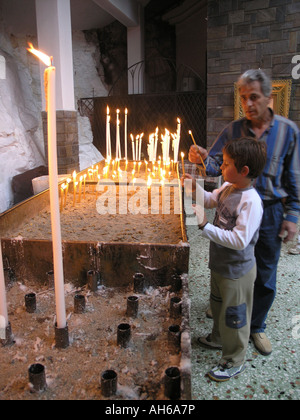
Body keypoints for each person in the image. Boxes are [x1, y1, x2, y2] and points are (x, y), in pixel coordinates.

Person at [189, 69, 300, 356]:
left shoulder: (288, 131)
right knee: (233, 265)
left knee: (264, 270)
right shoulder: (233, 131)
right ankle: (229, 312)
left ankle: (256, 326)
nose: (248, 104)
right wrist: (202, 156)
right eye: (243, 98)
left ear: (268, 97)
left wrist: (293, 215)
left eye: (254, 97)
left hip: (271, 209)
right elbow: (216, 167)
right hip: (234, 205)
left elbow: (294, 177)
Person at [183, 137, 267, 381]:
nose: (220, 166)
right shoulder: (229, 187)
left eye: (226, 163)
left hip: (237, 273)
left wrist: (204, 226)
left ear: (244, 171)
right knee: (218, 304)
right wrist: (194, 188)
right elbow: (211, 199)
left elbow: (240, 240)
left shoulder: (251, 202)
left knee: (235, 316)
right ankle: (218, 338)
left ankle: (234, 359)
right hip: (220, 265)